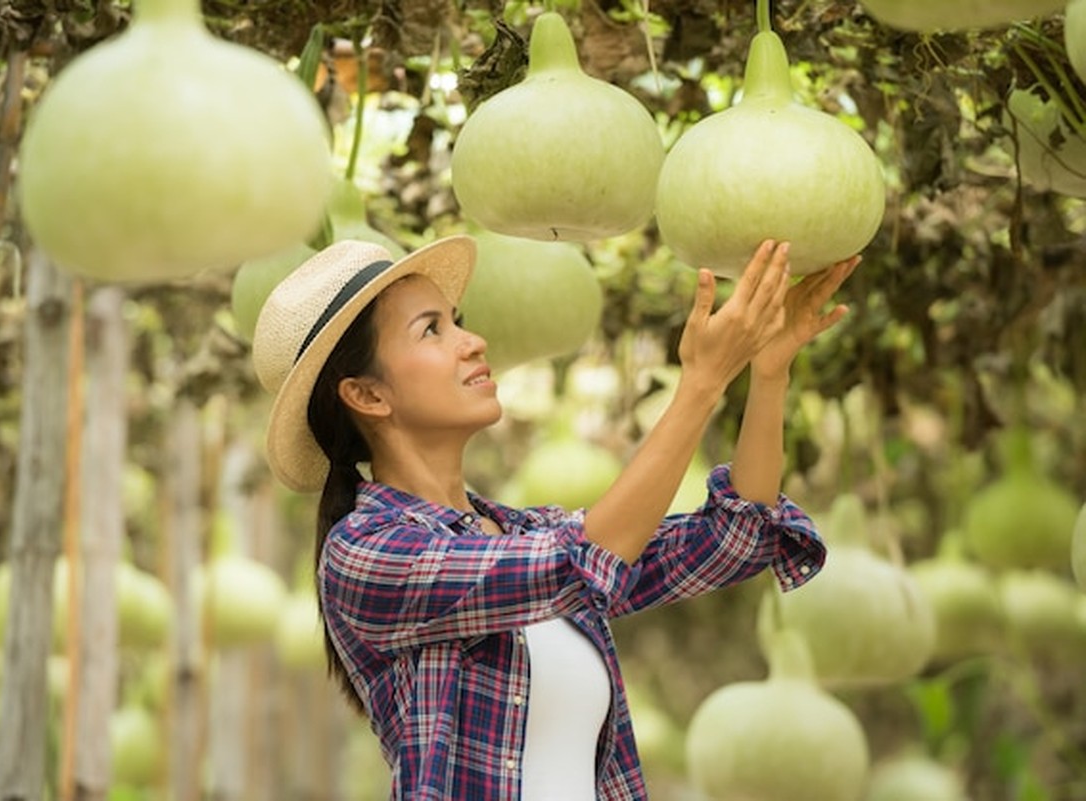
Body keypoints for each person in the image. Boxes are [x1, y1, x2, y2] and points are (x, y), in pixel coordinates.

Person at [251, 234, 860, 800]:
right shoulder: (366, 553)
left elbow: (734, 539)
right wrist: (701, 384)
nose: (473, 341)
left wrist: (769, 371)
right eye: (431, 330)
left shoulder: (525, 532)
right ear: (367, 395)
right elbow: (583, 559)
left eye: (457, 320)